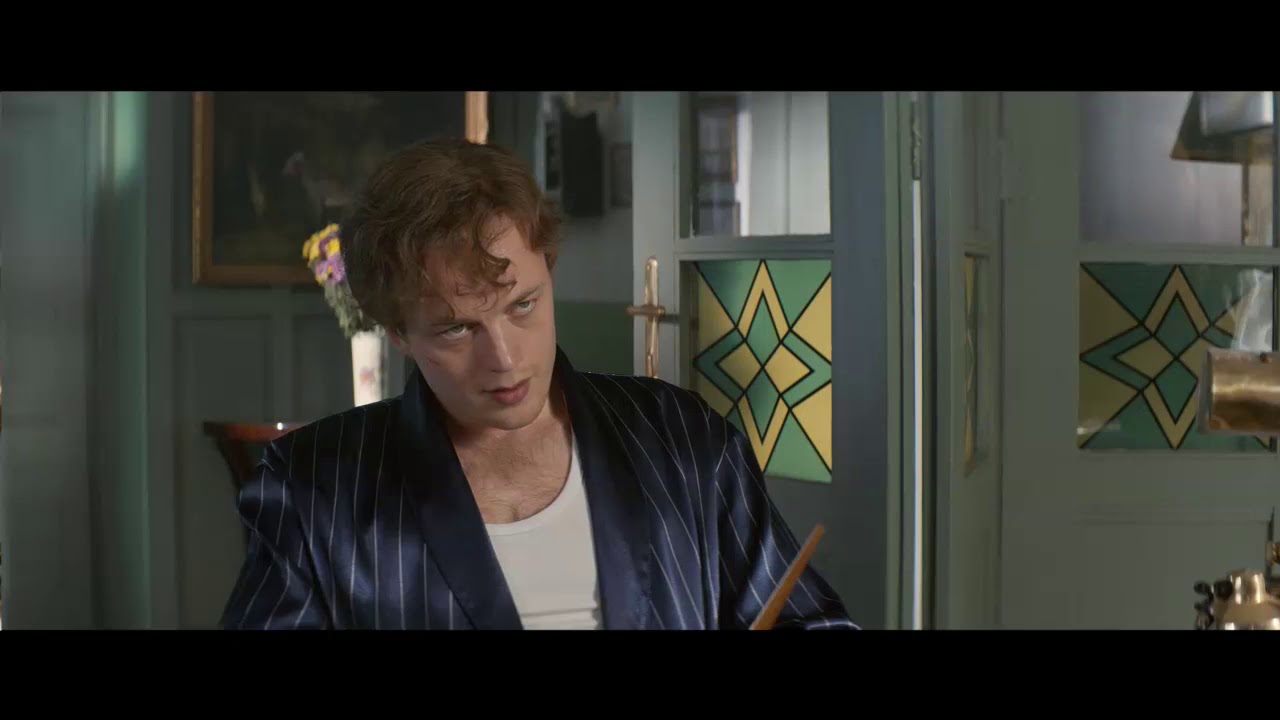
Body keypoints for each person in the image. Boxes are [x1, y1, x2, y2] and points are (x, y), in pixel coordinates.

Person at [220, 139, 856, 631]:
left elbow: (812, 620)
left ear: (548, 269)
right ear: (398, 333)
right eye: (457, 329)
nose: (505, 359)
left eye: (523, 305)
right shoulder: (314, 490)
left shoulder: (683, 439)